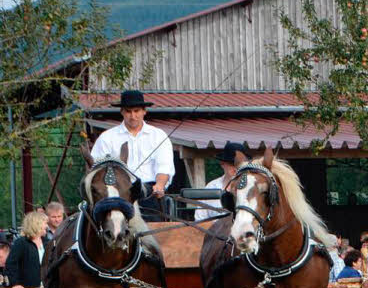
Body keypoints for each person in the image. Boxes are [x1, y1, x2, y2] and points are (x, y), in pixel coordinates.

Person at [91, 90, 175, 221]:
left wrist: (160, 185)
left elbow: (164, 166)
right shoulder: (107, 138)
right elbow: (97, 168)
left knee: (154, 235)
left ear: (144, 111)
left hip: (149, 194)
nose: (133, 116)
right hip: (117, 195)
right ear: (122, 112)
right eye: (128, 111)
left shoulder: (158, 136)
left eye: (136, 111)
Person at [195, 142, 250, 222]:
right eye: (231, 163)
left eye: (239, 164)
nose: (235, 167)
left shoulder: (251, 187)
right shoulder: (211, 187)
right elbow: (200, 219)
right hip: (213, 232)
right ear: (222, 164)